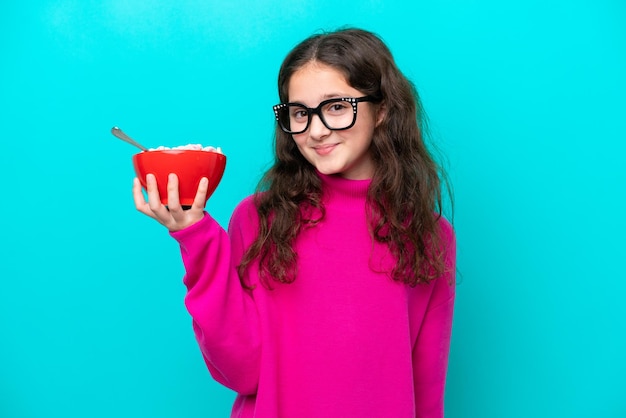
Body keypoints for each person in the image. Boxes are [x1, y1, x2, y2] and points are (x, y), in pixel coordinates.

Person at [133, 27, 456, 418]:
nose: (316, 130)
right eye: (300, 113)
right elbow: (241, 370)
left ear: (383, 108)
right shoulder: (260, 218)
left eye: (336, 106)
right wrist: (196, 236)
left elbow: (426, 388)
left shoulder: (431, 234)